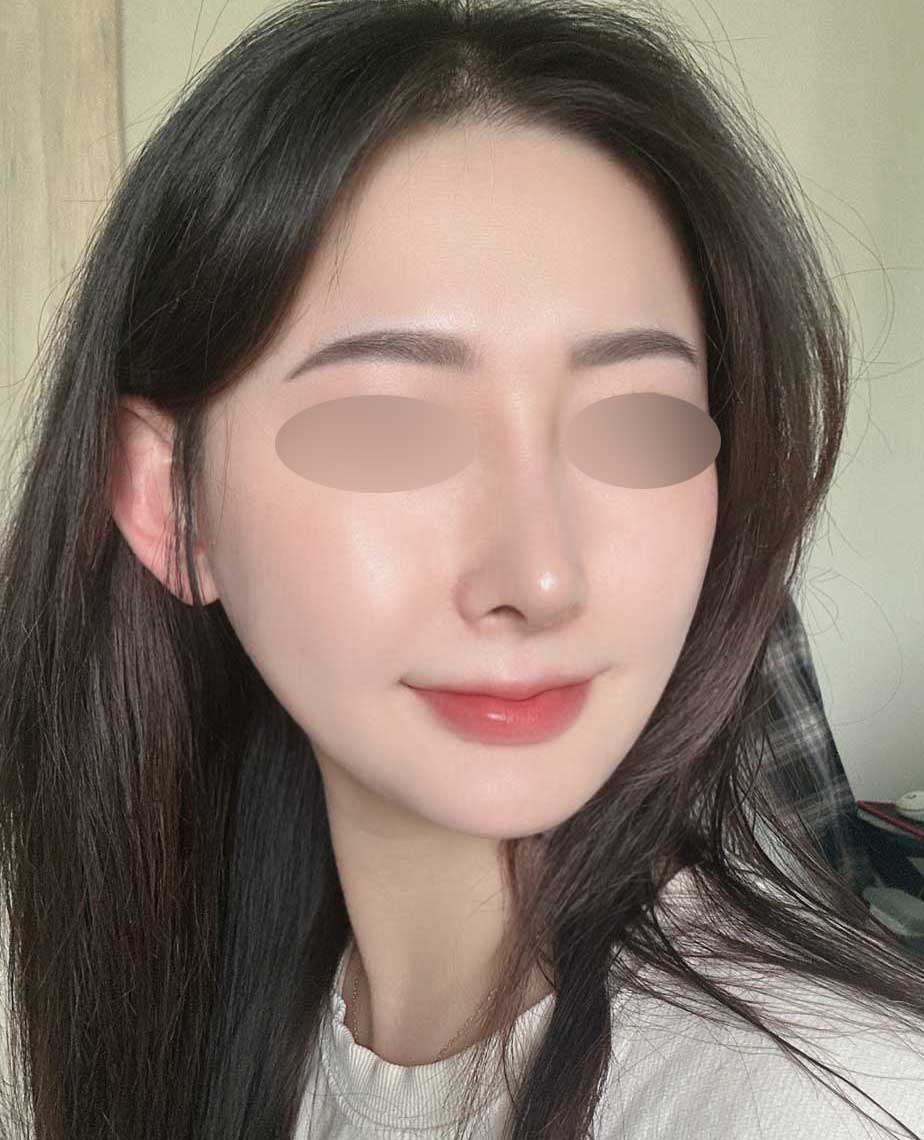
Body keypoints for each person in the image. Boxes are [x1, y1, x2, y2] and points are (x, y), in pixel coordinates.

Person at [0, 1, 921, 1138]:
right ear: (168, 502)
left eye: (637, 422)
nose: (540, 577)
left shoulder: (824, 1103)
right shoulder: (209, 1003)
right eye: (389, 428)